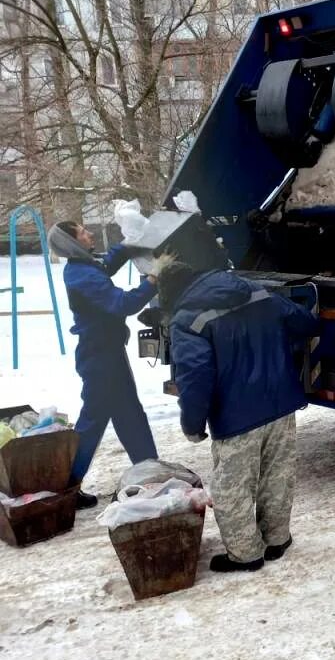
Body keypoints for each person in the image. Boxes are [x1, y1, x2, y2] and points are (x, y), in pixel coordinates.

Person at [156, 261, 318, 573]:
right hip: (281, 405)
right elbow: (305, 322)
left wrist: (192, 425)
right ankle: (277, 538)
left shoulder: (188, 319)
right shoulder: (256, 292)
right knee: (277, 477)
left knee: (233, 490)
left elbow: (194, 380)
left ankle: (246, 554)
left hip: (237, 417)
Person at [46, 222, 159, 509]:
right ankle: (66, 488)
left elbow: (106, 264)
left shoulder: (84, 266)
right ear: (72, 243)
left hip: (105, 354)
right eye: (83, 233)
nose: (90, 234)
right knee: (93, 422)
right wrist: (152, 282)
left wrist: (130, 244)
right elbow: (122, 303)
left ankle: (151, 476)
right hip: (99, 358)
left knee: (129, 416)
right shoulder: (81, 275)